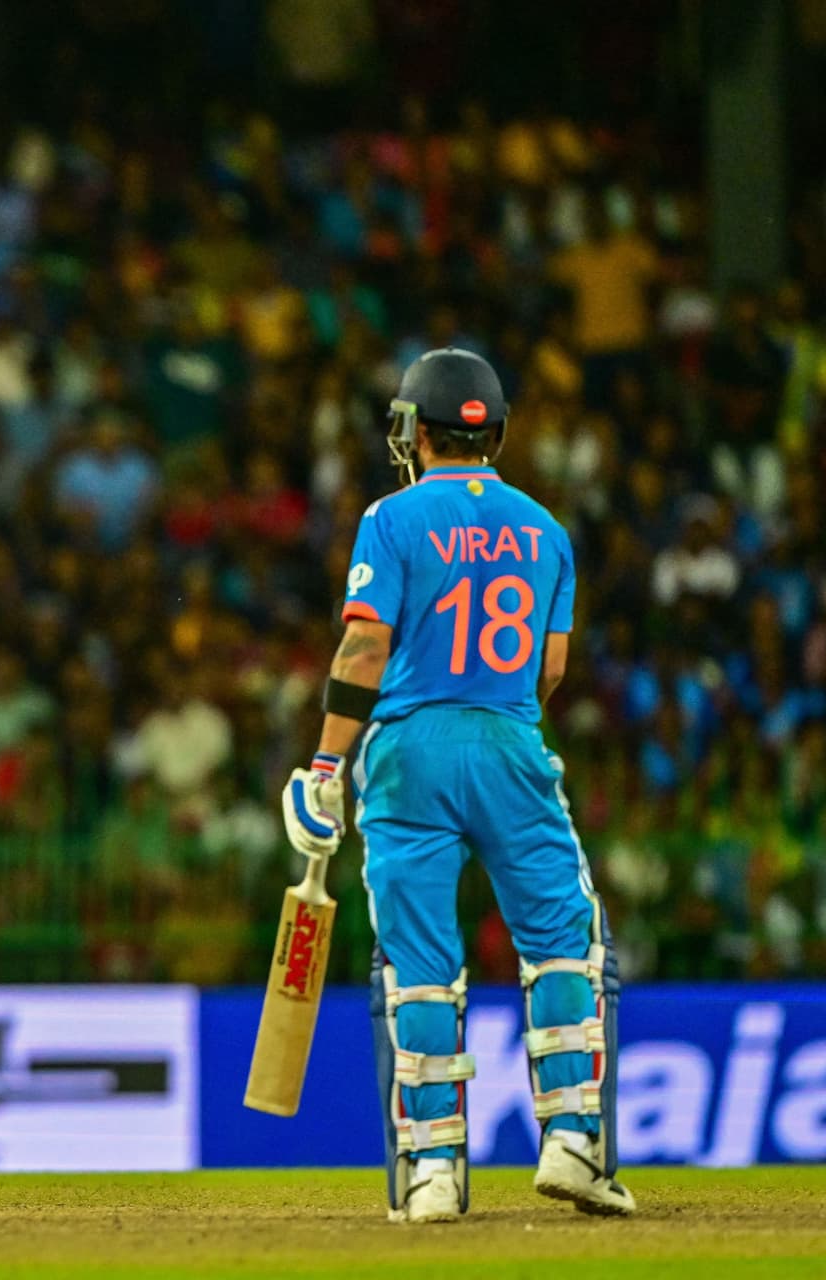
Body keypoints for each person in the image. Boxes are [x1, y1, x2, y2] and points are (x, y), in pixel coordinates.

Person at [279, 350, 633, 1224]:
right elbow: (549, 669)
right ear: (496, 431)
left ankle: (434, 1173)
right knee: (564, 944)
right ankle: (575, 1144)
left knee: (419, 964)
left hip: (405, 755)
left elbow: (363, 648)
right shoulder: (546, 530)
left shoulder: (391, 519)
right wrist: (497, 718)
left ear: (414, 431)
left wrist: (326, 768)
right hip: (511, 739)